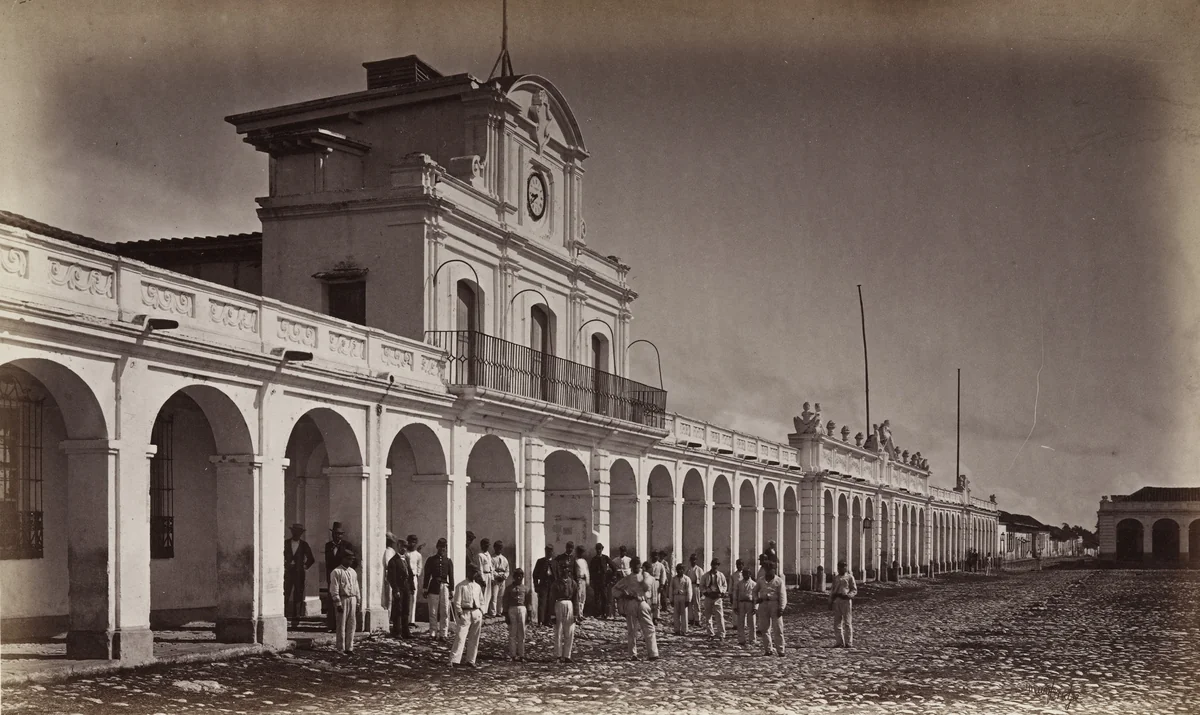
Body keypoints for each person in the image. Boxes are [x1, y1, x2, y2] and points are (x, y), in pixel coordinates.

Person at [614, 556, 659, 661]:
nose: (636, 566)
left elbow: (648, 588)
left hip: (642, 602)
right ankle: (634, 654)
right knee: (632, 629)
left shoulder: (645, 576)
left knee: (648, 628)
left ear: (640, 565)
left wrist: (653, 605)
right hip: (631, 603)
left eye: (638, 564)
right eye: (634, 565)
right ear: (631, 566)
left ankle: (652, 653)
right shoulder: (627, 579)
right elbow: (614, 590)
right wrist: (624, 595)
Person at [449, 566, 485, 668]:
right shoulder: (461, 586)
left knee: (474, 638)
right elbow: (457, 602)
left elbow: (481, 601)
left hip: (476, 613)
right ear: (468, 572)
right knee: (460, 637)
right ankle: (454, 659)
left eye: (476, 573)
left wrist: (481, 611)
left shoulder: (478, 587)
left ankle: (471, 659)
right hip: (465, 613)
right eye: (473, 572)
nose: (474, 575)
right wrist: (460, 613)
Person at [324, 523, 356, 632]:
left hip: (343, 577)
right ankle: (331, 625)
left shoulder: (347, 546)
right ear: (332, 534)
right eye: (335, 534)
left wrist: (347, 573)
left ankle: (341, 626)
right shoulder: (328, 546)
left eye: (340, 534)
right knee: (332, 599)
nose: (338, 536)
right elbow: (327, 563)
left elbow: (353, 561)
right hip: (332, 577)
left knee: (342, 602)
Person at [329, 549, 360, 655]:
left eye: (352, 559)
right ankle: (340, 648)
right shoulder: (336, 572)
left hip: (353, 598)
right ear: (343, 559)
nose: (350, 561)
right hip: (342, 599)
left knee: (352, 624)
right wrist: (337, 602)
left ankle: (349, 647)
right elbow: (334, 588)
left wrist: (358, 601)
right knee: (341, 624)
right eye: (348, 559)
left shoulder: (353, 572)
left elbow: (356, 586)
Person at [284, 523, 315, 628]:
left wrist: (304, 567)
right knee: (285, 593)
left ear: (301, 534)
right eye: (294, 532)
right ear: (292, 532)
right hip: (287, 573)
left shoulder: (304, 545)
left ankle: (296, 617)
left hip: (299, 573)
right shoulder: (285, 543)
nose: (296, 534)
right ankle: (284, 614)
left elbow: (311, 559)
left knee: (298, 593)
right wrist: (284, 565)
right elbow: (279, 555)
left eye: (298, 532)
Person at [422, 538, 454, 641]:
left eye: (444, 547)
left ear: (446, 548)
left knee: (445, 611)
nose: (442, 549)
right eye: (440, 547)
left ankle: (443, 634)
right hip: (433, 587)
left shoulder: (448, 561)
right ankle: (433, 633)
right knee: (433, 611)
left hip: (445, 586)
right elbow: (427, 575)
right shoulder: (431, 560)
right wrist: (425, 588)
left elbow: (451, 576)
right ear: (437, 547)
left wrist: (451, 590)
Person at [756, 561, 787, 656]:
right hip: (764, 604)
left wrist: (781, 608)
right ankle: (768, 649)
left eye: (771, 570)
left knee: (778, 628)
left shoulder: (779, 581)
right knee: (765, 628)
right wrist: (756, 599)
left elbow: (783, 595)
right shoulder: (761, 580)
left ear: (774, 570)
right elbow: (754, 591)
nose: (769, 572)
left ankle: (780, 650)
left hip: (775, 604)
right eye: (767, 570)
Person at [504, 568, 535, 661]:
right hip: (512, 609)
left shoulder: (526, 588)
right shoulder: (509, 588)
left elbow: (528, 602)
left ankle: (521, 655)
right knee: (512, 632)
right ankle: (513, 654)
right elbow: (505, 601)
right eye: (517, 575)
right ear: (514, 577)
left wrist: (529, 614)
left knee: (521, 633)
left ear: (522, 577)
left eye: (520, 576)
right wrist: (506, 614)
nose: (518, 577)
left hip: (522, 609)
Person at [386, 541, 415, 638]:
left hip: (406, 587)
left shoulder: (406, 559)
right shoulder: (393, 561)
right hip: (399, 588)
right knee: (398, 610)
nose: (404, 549)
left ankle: (406, 631)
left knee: (406, 609)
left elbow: (410, 573)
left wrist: (412, 587)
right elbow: (391, 577)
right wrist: (395, 590)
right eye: (402, 547)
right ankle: (397, 631)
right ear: (398, 547)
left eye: (406, 547)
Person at [550, 568, 579, 663]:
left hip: (569, 605)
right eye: (563, 570)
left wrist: (575, 613)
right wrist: (552, 614)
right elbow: (551, 598)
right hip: (558, 604)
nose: (565, 572)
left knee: (569, 631)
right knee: (558, 630)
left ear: (569, 572)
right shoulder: (556, 583)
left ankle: (567, 655)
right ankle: (558, 655)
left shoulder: (573, 583)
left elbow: (576, 598)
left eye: (567, 571)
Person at [829, 559, 857, 648]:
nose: (840, 569)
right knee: (837, 622)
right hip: (837, 600)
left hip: (846, 601)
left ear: (846, 568)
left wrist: (849, 595)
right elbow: (832, 590)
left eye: (843, 567)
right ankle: (839, 642)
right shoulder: (836, 578)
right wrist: (830, 601)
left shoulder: (849, 577)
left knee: (847, 622)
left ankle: (849, 642)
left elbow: (854, 589)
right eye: (839, 567)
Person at [699, 558, 728, 640]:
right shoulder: (705, 576)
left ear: (718, 566)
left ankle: (721, 634)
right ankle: (710, 634)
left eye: (716, 565)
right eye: (713, 564)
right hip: (709, 597)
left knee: (719, 616)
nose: (714, 566)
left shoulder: (721, 575)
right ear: (711, 565)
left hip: (717, 598)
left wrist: (722, 592)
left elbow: (725, 585)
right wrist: (705, 592)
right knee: (708, 616)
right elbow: (701, 586)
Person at [732, 562, 757, 648]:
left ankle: (752, 639)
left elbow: (756, 597)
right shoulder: (739, 584)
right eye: (744, 574)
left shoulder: (754, 584)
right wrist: (735, 606)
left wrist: (755, 607)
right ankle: (741, 639)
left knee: (752, 622)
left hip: (750, 603)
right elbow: (735, 595)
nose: (745, 575)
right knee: (740, 622)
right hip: (741, 603)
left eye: (747, 574)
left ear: (750, 574)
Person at [533, 545, 555, 626]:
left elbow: (557, 575)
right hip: (543, 584)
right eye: (547, 551)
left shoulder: (555, 562)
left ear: (552, 552)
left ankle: (548, 620)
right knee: (542, 603)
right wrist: (536, 586)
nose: (549, 553)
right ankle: (540, 621)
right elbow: (535, 574)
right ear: (545, 551)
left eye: (550, 551)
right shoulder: (540, 561)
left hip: (551, 585)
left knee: (550, 603)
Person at [589, 543, 611, 619]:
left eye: (600, 549)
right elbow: (591, 571)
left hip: (604, 581)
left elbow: (613, 567)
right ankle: (597, 613)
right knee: (597, 597)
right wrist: (591, 580)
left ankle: (604, 612)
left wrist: (610, 578)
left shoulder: (605, 558)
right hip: (596, 581)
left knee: (604, 597)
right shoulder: (593, 559)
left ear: (602, 549)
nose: (598, 550)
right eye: (597, 549)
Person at [670, 563, 693, 635]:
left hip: (683, 597)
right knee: (676, 614)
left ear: (683, 570)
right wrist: (671, 599)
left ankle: (684, 630)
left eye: (681, 569)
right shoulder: (674, 579)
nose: (679, 571)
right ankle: (676, 630)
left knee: (684, 614)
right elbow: (671, 589)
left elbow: (689, 590)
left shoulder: (687, 579)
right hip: (676, 596)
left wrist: (688, 600)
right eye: (678, 569)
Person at [489, 540, 509, 617]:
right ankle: (493, 613)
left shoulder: (504, 559)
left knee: (501, 596)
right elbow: (491, 569)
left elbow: (507, 570)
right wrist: (497, 576)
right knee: (494, 596)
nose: (499, 549)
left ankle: (499, 612)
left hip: (502, 579)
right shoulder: (492, 558)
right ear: (494, 548)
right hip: (496, 579)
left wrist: (505, 576)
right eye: (498, 547)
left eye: (501, 548)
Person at [406, 534, 423, 625]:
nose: (412, 544)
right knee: (405, 597)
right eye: (410, 542)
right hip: (405, 577)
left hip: (413, 577)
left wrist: (416, 575)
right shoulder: (405, 554)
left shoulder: (418, 555)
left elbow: (420, 567)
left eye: (414, 542)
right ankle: (405, 619)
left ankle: (411, 620)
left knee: (413, 597)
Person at [475, 538, 495, 616]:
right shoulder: (479, 555)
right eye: (485, 545)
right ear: (481, 545)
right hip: (484, 575)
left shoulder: (488, 554)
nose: (486, 547)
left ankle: (485, 611)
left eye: (488, 545)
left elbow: (491, 567)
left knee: (488, 594)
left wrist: (492, 577)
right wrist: (482, 579)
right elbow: (480, 568)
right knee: (482, 594)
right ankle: (481, 611)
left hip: (489, 575)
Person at [382, 532, 398, 618]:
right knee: (389, 598)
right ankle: (387, 617)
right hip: (389, 576)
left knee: (390, 598)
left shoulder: (391, 551)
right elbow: (388, 563)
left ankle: (390, 616)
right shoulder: (388, 551)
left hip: (392, 576)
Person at [686, 554, 704, 627]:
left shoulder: (699, 569)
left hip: (696, 586)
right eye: (692, 560)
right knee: (689, 602)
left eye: (694, 560)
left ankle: (697, 620)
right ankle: (690, 619)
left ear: (696, 560)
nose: (693, 561)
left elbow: (702, 581)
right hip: (689, 586)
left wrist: (701, 590)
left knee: (697, 603)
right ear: (690, 560)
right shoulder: (688, 569)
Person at [573, 545, 590, 621]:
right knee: (578, 597)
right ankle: (578, 614)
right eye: (580, 552)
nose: (581, 554)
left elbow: (586, 571)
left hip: (583, 580)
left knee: (583, 597)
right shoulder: (575, 561)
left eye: (582, 552)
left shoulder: (584, 561)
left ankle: (581, 613)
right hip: (578, 580)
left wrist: (587, 581)